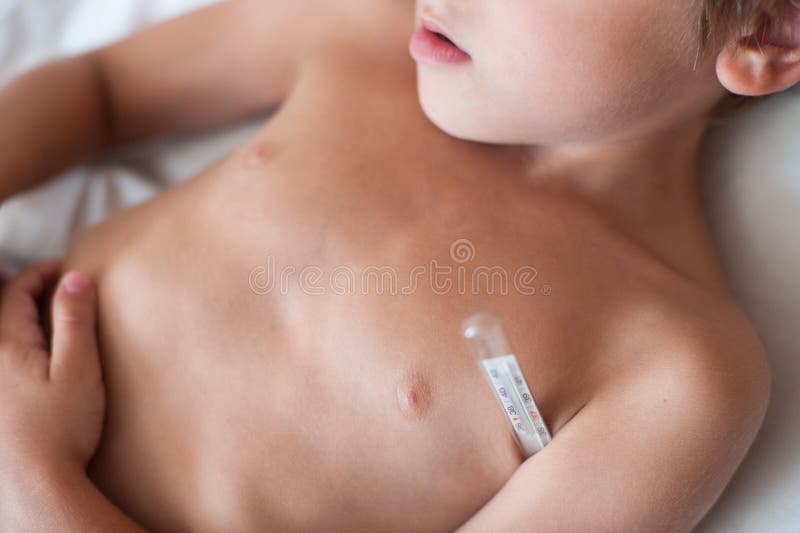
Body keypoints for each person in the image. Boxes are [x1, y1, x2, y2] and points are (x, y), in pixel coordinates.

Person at [1, 0, 798, 530]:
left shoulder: (673, 371)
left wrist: (39, 488)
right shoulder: (373, 26)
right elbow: (104, 86)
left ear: (768, 34)